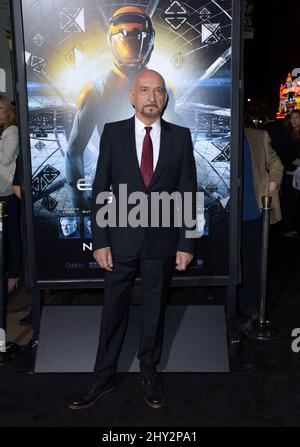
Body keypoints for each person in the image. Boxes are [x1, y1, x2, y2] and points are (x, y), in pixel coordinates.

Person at [69, 69, 197, 410]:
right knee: (113, 310)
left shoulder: (181, 137)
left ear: (165, 98)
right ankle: (103, 376)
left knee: (155, 310)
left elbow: (187, 192)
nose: (151, 97)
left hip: (163, 242)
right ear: (132, 96)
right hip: (119, 240)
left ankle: (149, 372)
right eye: (144, 90)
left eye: (158, 91)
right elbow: (100, 189)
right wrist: (100, 240)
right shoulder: (113, 133)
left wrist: (187, 244)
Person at [65, 6, 181, 210]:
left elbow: (178, 149)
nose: (132, 50)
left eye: (138, 41)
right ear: (112, 43)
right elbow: (74, 151)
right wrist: (80, 204)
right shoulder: (96, 90)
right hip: (115, 190)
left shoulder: (164, 89)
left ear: (150, 42)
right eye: (125, 41)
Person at [238, 126, 283, 331]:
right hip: (224, 217)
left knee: (254, 261)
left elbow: (276, 163)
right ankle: (229, 304)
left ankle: (249, 305)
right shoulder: (215, 134)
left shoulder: (257, 136)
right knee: (230, 261)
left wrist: (272, 183)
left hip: (252, 211)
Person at [0, 95, 21, 293]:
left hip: (8, 191)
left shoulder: (12, 131)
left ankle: (14, 275)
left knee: (12, 234)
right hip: (2, 189)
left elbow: (6, 160)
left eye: (0, 108)